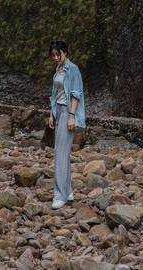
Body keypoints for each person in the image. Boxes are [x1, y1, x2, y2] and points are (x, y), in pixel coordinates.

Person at [48, 39, 86, 209]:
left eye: (58, 54)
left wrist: (71, 116)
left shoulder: (73, 69)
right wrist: (51, 114)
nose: (56, 57)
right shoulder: (58, 69)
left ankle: (59, 195)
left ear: (65, 53)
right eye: (53, 55)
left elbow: (76, 94)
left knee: (60, 154)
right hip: (58, 111)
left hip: (67, 112)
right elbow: (55, 94)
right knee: (62, 153)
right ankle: (68, 191)